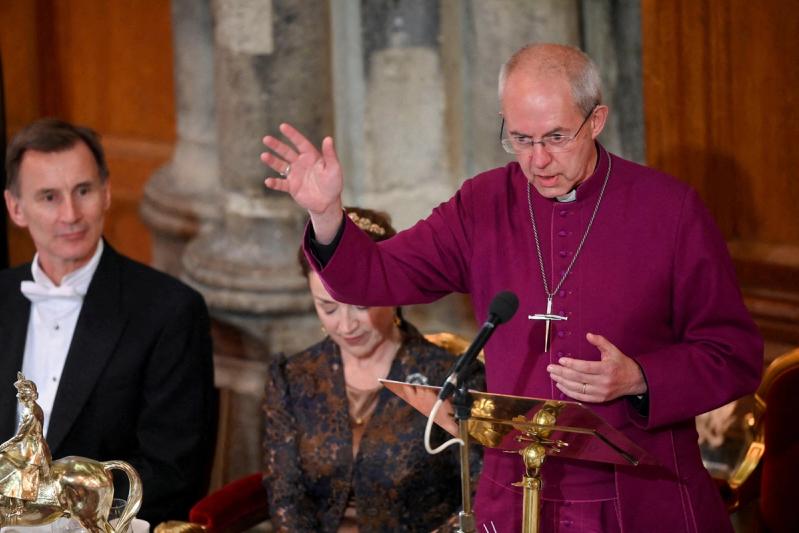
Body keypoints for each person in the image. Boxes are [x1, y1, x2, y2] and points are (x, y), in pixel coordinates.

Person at [260, 43, 764, 532]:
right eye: (521, 138)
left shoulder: (669, 211)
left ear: (597, 121)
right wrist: (326, 214)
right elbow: (373, 278)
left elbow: (734, 354)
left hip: (635, 494)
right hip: (516, 494)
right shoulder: (483, 204)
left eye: (557, 137)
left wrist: (639, 378)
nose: (538, 160)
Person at [0, 118, 218, 525]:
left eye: (83, 190)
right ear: (16, 208)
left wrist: (58, 519)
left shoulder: (170, 311)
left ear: (106, 193)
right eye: (49, 197)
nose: (71, 214)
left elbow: (175, 473)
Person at [262, 207, 483, 533]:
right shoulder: (293, 376)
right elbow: (286, 497)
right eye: (328, 307)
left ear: (393, 292)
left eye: (361, 304)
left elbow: (480, 495)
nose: (346, 324)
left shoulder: (449, 378)